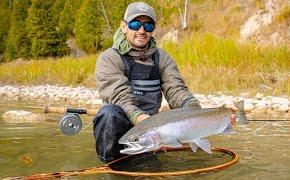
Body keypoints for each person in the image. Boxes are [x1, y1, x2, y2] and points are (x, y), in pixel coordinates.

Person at [93, 2, 236, 163]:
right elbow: (120, 97)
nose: (141, 30)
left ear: (153, 28)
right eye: (135, 24)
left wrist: (195, 112)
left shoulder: (162, 58)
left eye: (148, 25)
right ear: (124, 26)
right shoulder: (109, 58)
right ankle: (110, 164)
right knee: (108, 114)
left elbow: (176, 90)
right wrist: (143, 121)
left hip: (154, 132)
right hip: (127, 132)